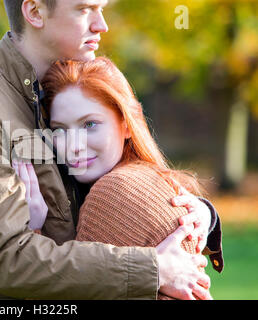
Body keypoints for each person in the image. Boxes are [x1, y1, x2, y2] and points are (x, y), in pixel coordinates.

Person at [0, 0, 222, 299]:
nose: (101, 25)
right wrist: (152, 268)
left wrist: (197, 214)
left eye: (101, 9)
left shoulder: (70, 88)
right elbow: (6, 260)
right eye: (84, 9)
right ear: (35, 12)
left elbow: (121, 185)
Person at [12, 57, 223, 300]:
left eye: (90, 124)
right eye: (60, 130)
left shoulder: (112, 192)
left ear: (126, 124)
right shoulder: (149, 177)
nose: (74, 146)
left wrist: (33, 230)